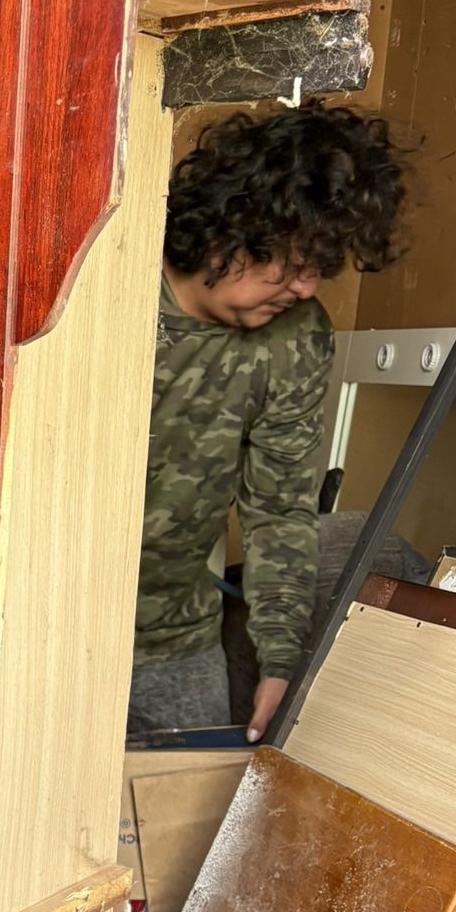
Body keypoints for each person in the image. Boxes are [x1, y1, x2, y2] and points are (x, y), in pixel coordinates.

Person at [129, 104, 408, 742]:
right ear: (232, 226)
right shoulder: (111, 287)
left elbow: (280, 510)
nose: (306, 288)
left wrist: (279, 658)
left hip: (174, 636)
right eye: (292, 261)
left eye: (320, 267)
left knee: (195, 797)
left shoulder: (296, 338)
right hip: (34, 618)